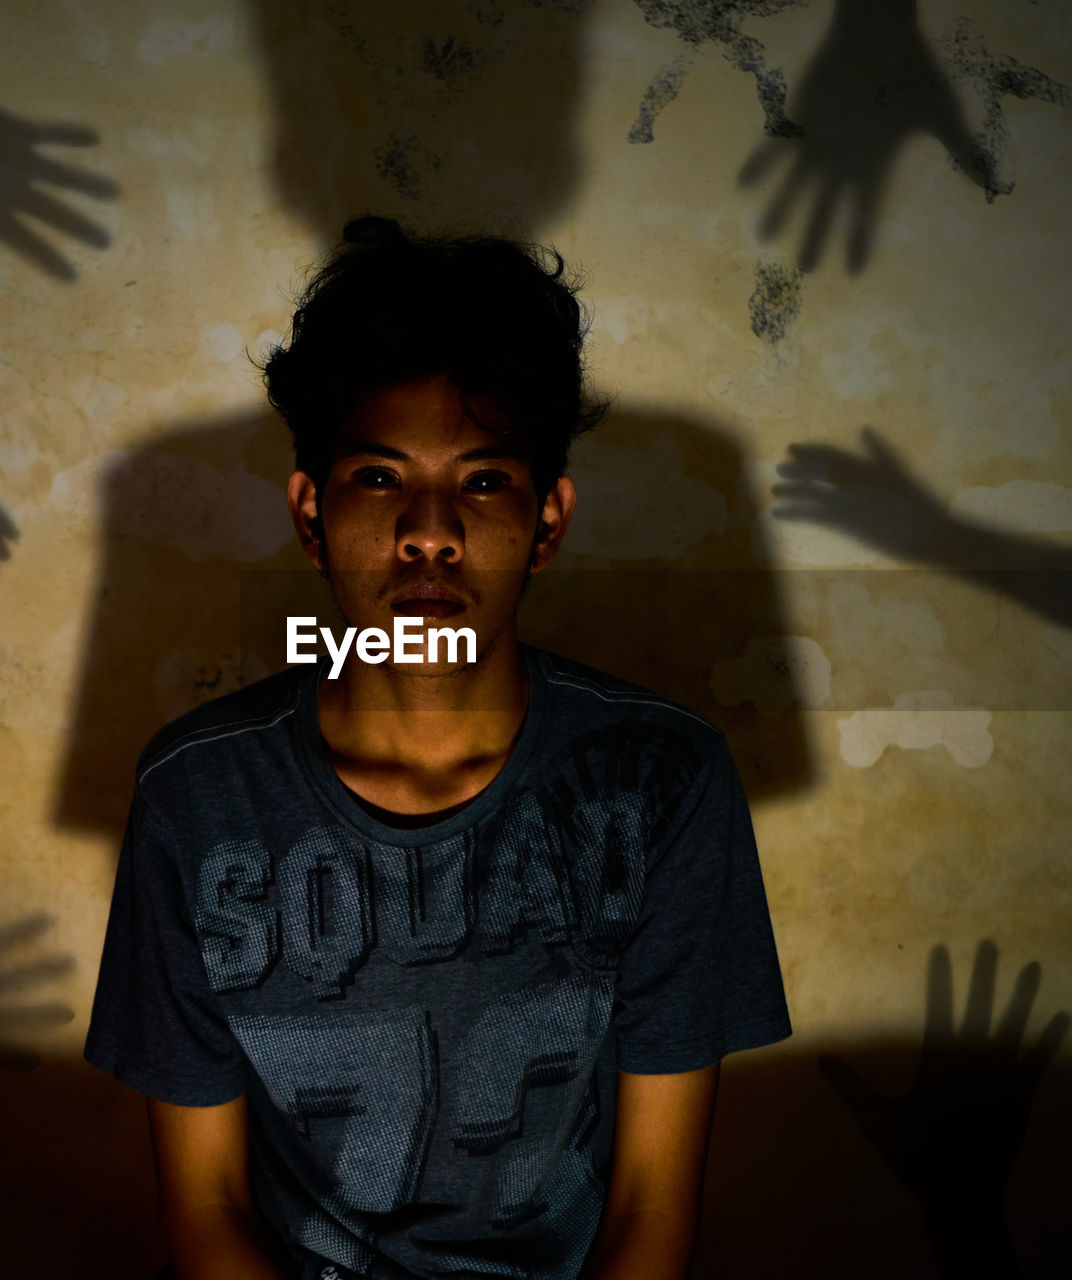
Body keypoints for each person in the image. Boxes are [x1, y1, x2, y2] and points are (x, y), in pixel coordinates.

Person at [84, 216, 792, 1280]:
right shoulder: (198, 792)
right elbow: (204, 1204)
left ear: (548, 519)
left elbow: (650, 1203)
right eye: (377, 478)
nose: (429, 532)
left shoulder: (661, 781)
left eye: (481, 481)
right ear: (309, 512)